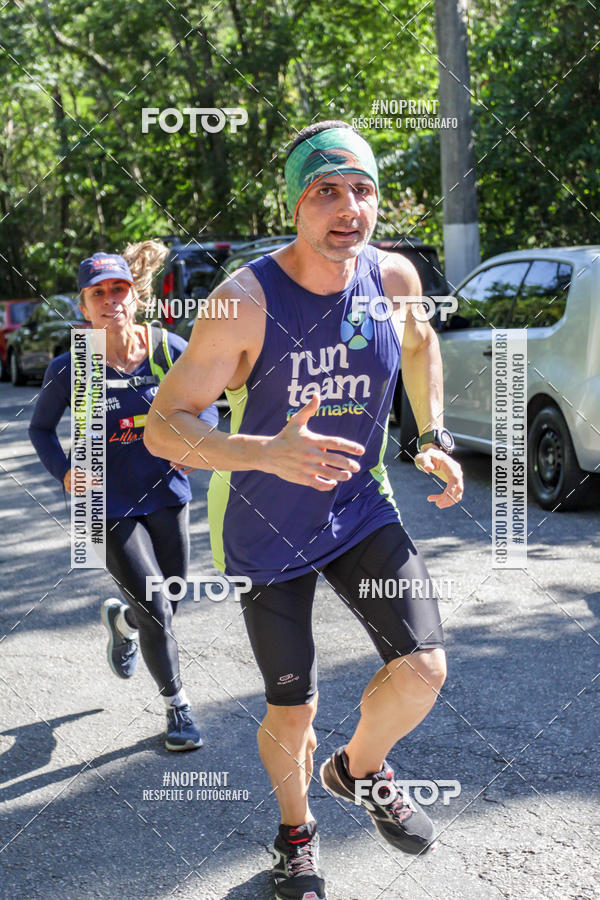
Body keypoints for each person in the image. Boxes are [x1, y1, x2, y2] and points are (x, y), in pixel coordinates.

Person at [144, 121, 464, 899]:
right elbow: (163, 425)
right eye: (326, 190)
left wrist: (429, 436)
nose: (348, 206)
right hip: (264, 523)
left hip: (358, 505)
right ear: (295, 206)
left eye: (362, 189)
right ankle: (296, 836)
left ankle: (357, 769)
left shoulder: (391, 279)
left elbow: (419, 346)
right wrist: (263, 451)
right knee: (294, 706)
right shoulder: (243, 302)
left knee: (423, 670)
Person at [28, 244, 219, 751]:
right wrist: (66, 472)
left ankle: (122, 620)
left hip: (166, 493)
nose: (110, 299)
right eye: (98, 293)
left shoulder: (166, 351)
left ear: (134, 295)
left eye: (119, 289)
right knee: (158, 605)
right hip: (105, 504)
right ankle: (177, 706)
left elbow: (208, 407)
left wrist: (197, 440)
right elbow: (41, 429)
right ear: (83, 306)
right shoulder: (76, 366)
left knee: (170, 597)